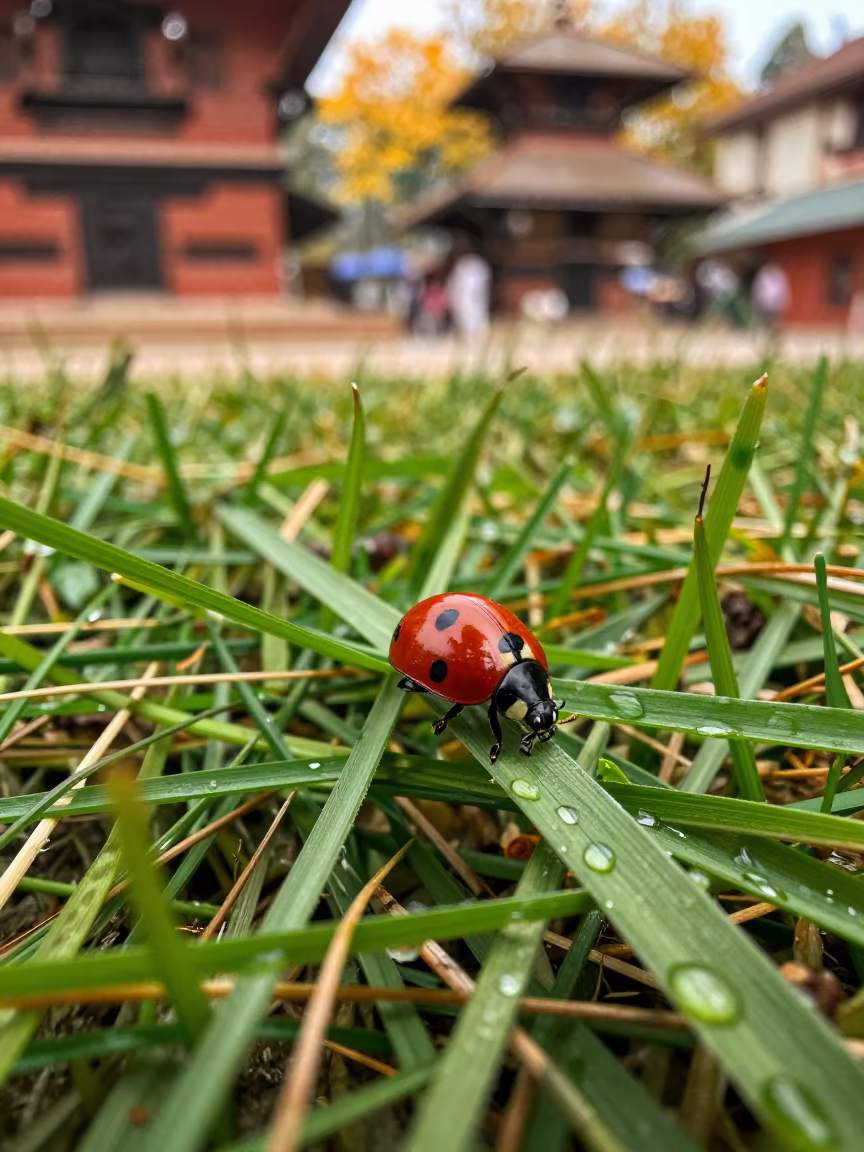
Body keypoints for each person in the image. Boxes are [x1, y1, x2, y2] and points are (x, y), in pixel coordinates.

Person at [447, 250, 491, 340]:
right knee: (463, 319)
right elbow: (454, 284)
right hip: (463, 298)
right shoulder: (461, 265)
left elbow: (483, 284)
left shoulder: (479, 265)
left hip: (476, 298)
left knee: (477, 318)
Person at [751, 261, 791, 331]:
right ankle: (766, 331)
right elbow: (757, 289)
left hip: (774, 303)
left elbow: (782, 290)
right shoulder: (762, 276)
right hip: (764, 303)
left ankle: (772, 332)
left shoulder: (778, 276)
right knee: (764, 320)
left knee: (774, 319)